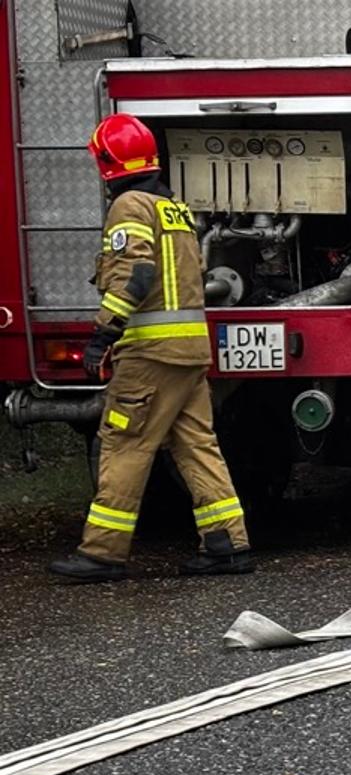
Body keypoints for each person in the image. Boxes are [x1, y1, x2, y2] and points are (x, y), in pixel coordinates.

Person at [48, 113, 254, 583]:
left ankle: (102, 552)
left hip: (150, 355)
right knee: (197, 446)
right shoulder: (174, 208)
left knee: (124, 443)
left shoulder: (129, 207)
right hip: (188, 353)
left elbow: (136, 275)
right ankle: (226, 544)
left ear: (105, 162)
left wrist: (104, 334)